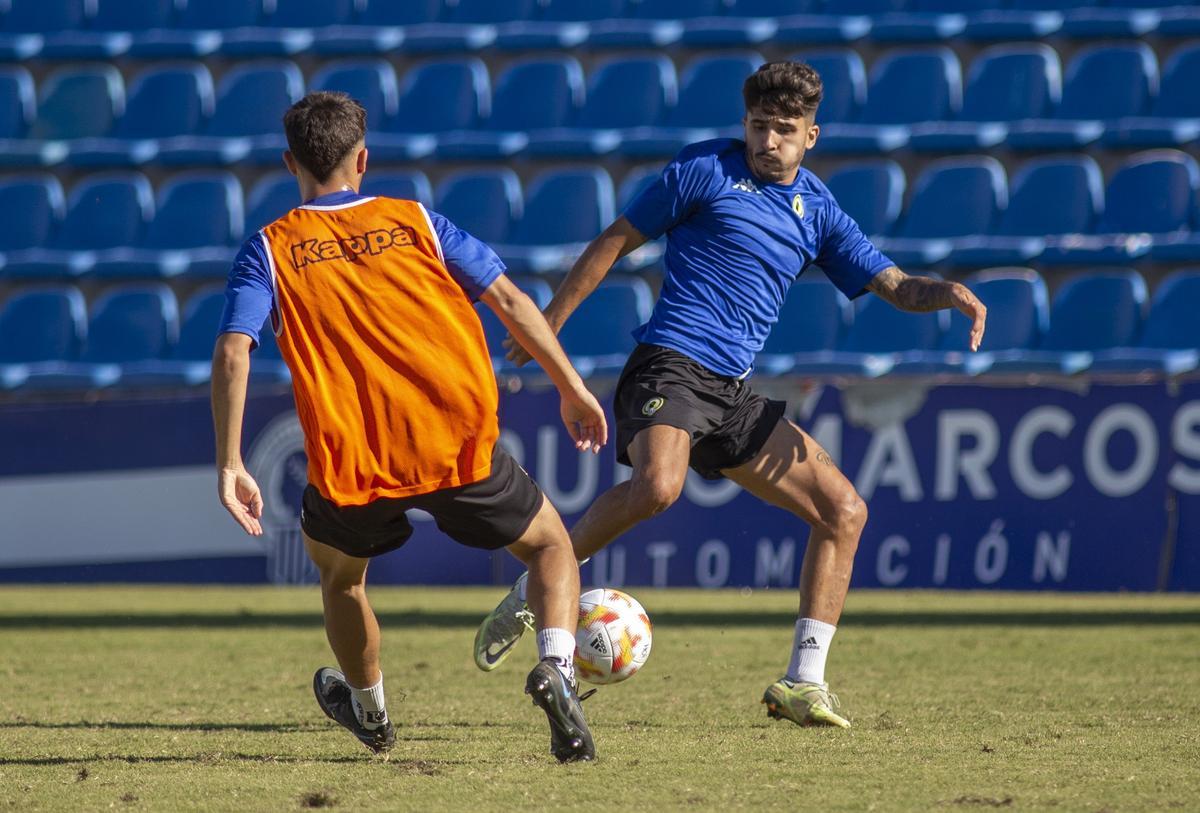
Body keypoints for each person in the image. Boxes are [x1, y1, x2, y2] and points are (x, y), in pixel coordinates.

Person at [473, 62, 988, 729]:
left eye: (784, 130)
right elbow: (614, 240)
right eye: (759, 126)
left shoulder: (819, 211)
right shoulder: (705, 170)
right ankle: (536, 585)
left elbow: (893, 284)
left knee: (844, 511)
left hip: (729, 390)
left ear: (811, 137)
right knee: (660, 487)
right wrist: (551, 324)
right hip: (670, 362)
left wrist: (945, 291)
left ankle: (802, 681)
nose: (768, 141)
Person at [211, 91, 607, 762]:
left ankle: (371, 712)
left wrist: (230, 460)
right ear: (362, 159)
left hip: (353, 458)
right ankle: (557, 669)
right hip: (452, 439)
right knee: (551, 548)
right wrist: (570, 386)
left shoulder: (270, 250)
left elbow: (232, 350)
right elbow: (509, 298)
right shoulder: (419, 220)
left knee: (342, 580)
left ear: (290, 163)